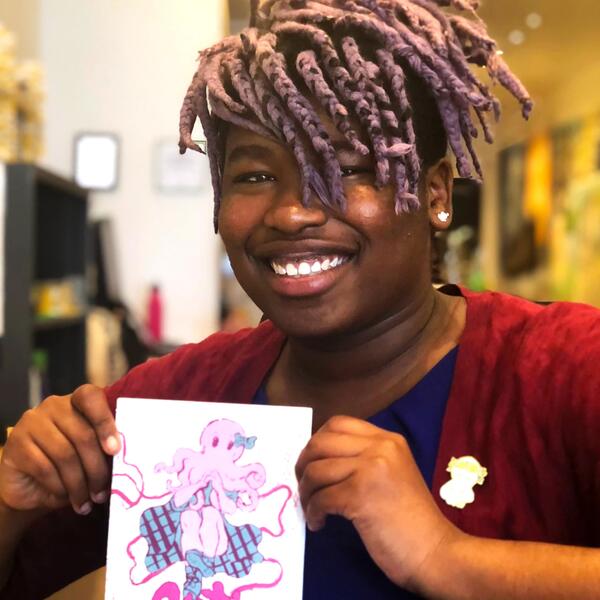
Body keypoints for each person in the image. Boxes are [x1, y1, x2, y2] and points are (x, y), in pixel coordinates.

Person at [1, 0, 600, 598]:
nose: (292, 212)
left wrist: (448, 557)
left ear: (437, 193)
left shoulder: (564, 369)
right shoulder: (176, 402)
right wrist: (12, 496)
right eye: (255, 176)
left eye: (346, 168)